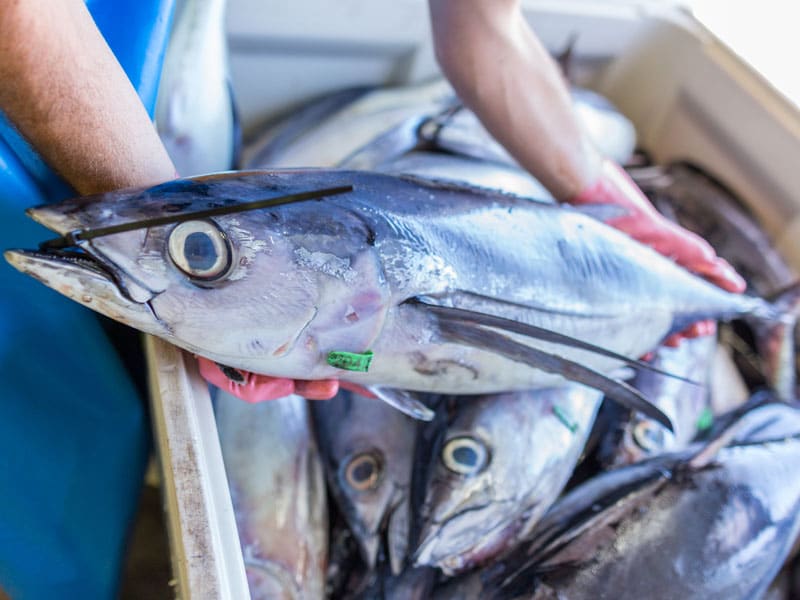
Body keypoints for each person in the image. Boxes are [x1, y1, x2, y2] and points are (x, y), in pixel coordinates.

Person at [0, 0, 742, 596]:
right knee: (45, 458)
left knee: (97, 434)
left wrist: (605, 196)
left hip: (133, 81)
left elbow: (483, 22)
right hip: (58, 106)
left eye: (204, 256)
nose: (202, 257)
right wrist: (163, 220)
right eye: (207, 255)